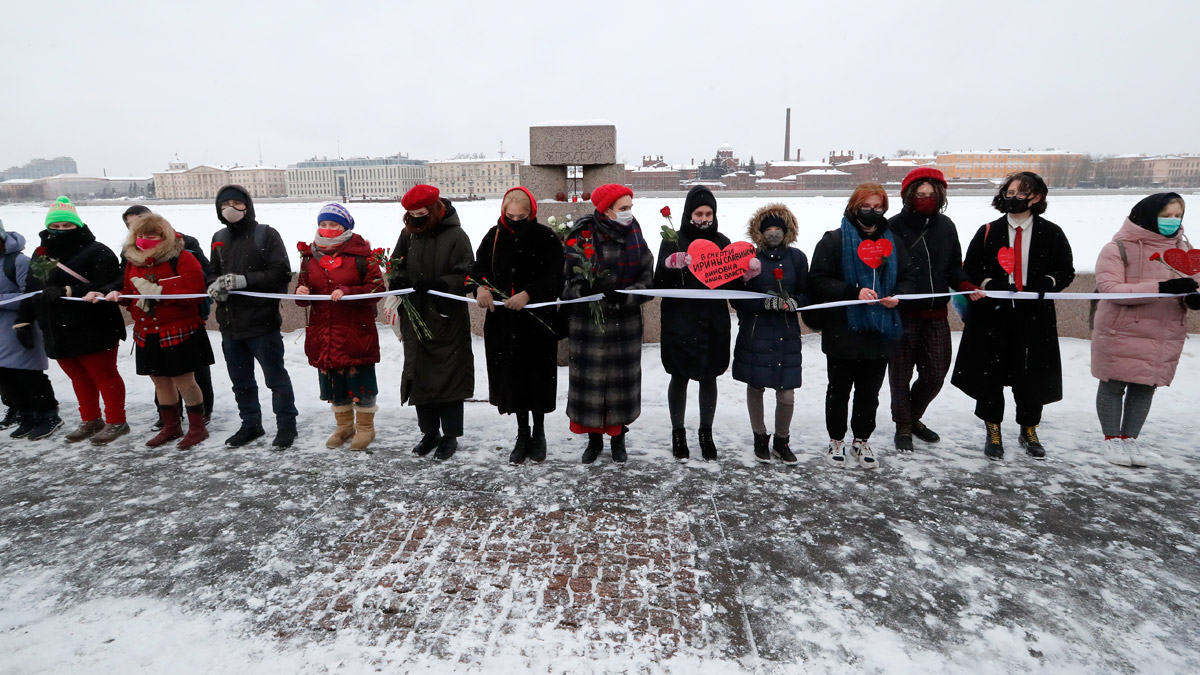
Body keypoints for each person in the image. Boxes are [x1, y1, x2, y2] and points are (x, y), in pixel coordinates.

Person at [951, 171, 1075, 460]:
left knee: (1031, 376)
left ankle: (1029, 429)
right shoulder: (987, 231)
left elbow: (1065, 270)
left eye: (1022, 192)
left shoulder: (1052, 233)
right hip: (992, 319)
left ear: (1038, 197)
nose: (1014, 197)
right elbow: (970, 269)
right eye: (1009, 191)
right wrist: (987, 284)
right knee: (989, 375)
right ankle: (993, 430)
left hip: (1035, 319)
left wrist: (1048, 282)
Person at [808, 183, 915, 469]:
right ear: (854, 207)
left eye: (878, 206)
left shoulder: (893, 243)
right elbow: (817, 279)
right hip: (843, 331)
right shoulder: (833, 240)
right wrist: (851, 291)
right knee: (839, 390)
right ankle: (836, 440)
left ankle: (861, 439)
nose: (872, 212)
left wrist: (897, 296)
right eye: (866, 206)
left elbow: (908, 278)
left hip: (881, 331)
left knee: (870, 393)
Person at [1092, 193, 1199, 466]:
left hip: (1163, 332)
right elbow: (1112, 290)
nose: (1173, 222)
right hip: (1122, 329)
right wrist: (1162, 288)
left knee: (1145, 386)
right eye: (1166, 216)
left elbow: (1194, 284)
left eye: (1178, 216)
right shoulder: (1117, 248)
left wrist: (1192, 297)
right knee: (1113, 384)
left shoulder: (1185, 252)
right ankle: (1111, 440)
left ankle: (1130, 439)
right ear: (1148, 215)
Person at [92, 214, 211, 448]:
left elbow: (197, 294)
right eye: (140, 235)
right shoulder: (132, 261)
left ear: (163, 236)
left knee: (185, 382)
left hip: (179, 330)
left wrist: (160, 292)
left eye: (151, 235)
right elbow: (129, 292)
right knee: (160, 382)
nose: (145, 240)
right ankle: (171, 426)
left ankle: (198, 428)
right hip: (147, 331)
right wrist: (118, 296)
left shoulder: (183, 258)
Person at [15, 197, 127, 444]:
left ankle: (116, 421)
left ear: (78, 225)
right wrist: (23, 320)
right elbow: (32, 289)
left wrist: (69, 290)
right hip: (56, 328)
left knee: (104, 375)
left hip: (94, 325)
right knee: (78, 377)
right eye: (56, 227)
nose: (61, 231)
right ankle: (90, 419)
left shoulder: (97, 250)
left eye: (67, 226)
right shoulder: (42, 253)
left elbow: (112, 283)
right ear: (48, 228)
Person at [562, 184, 654, 465]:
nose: (628, 213)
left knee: (619, 387)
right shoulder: (582, 235)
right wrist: (586, 291)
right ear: (606, 209)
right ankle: (593, 440)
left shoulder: (636, 235)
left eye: (630, 208)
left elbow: (648, 280)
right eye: (622, 208)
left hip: (623, 326)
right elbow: (566, 282)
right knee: (590, 387)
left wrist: (624, 296)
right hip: (588, 326)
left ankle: (618, 438)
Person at [472, 187, 563, 465]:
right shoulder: (494, 235)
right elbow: (477, 271)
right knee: (513, 379)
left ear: (531, 213)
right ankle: (522, 434)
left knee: (536, 378)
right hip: (504, 323)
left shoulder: (545, 237)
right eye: (509, 216)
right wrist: (480, 289)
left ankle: (540, 433)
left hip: (536, 322)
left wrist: (529, 293)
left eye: (521, 216)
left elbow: (556, 276)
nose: (514, 220)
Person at [383, 185, 474, 461]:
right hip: (416, 317)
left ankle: (450, 435)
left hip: (447, 319)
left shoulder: (456, 236)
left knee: (448, 378)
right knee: (419, 376)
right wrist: (397, 279)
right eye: (412, 215)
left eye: (421, 214)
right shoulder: (407, 234)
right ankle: (429, 432)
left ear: (434, 209)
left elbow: (468, 276)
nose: (416, 220)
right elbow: (395, 264)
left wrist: (439, 284)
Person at [886, 168, 974, 452]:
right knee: (900, 375)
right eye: (920, 194)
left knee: (935, 374)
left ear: (940, 195)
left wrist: (966, 284)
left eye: (931, 194)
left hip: (936, 314)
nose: (926, 198)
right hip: (902, 314)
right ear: (909, 196)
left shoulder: (946, 226)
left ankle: (912, 417)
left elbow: (954, 266)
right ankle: (903, 427)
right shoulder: (893, 226)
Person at [207, 184, 298, 449]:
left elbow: (281, 273)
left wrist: (244, 281)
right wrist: (214, 286)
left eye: (237, 204)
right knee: (241, 382)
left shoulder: (265, 234)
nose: (231, 209)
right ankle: (250, 424)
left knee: (276, 379)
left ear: (247, 206)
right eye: (225, 205)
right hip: (229, 324)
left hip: (262, 323)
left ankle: (286, 426)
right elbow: (212, 272)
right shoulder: (218, 237)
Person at [655, 185, 741, 463]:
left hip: (712, 322)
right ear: (688, 214)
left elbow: (734, 287)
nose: (704, 218)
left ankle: (706, 432)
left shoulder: (723, 241)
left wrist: (747, 273)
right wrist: (671, 264)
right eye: (698, 213)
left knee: (709, 376)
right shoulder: (673, 240)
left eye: (709, 213)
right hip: (679, 322)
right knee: (678, 376)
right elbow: (659, 283)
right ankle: (677, 432)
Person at [295, 203, 384, 451]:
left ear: (344, 226)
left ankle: (366, 428)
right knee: (334, 382)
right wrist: (301, 293)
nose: (327, 229)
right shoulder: (310, 256)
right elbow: (303, 293)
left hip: (355, 330)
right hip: (324, 332)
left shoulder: (362, 254)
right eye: (323, 224)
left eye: (333, 225)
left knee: (360, 381)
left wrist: (348, 291)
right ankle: (344, 427)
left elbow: (377, 289)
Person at [730, 204, 807, 465]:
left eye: (778, 229)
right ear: (759, 232)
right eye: (768, 229)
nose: (773, 233)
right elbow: (738, 299)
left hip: (787, 334)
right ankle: (760, 437)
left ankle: (782, 441)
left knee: (786, 393)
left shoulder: (797, 258)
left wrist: (796, 300)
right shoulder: (750, 259)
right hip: (756, 332)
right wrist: (764, 302)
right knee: (756, 385)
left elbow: (808, 293)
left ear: (787, 231)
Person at [0, 219, 62, 440]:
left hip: (18, 327)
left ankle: (48, 414)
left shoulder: (18, 261)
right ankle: (26, 415)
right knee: (6, 377)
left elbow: (32, 294)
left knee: (27, 374)